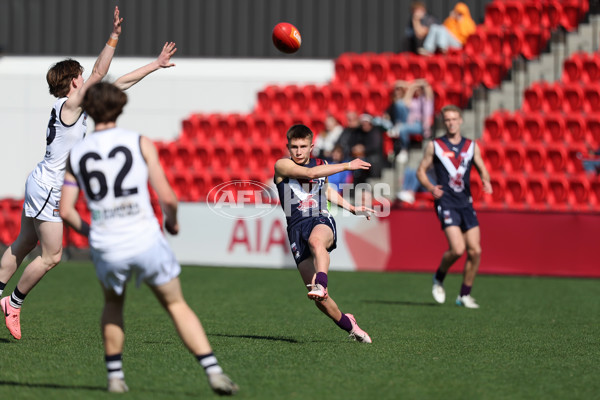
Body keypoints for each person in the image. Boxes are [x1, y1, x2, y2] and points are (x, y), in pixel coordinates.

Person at [0, 6, 177, 341]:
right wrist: (114, 36)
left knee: (23, 242)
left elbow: (118, 82)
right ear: (73, 83)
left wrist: (155, 65)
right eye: (80, 75)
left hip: (41, 181)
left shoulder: (71, 106)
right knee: (51, 256)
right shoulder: (70, 105)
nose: (87, 77)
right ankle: (13, 302)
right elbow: (100, 72)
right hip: (50, 187)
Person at [59, 82, 239, 395]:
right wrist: (172, 222)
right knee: (176, 304)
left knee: (113, 304)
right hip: (144, 237)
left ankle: (115, 377)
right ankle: (213, 371)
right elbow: (167, 198)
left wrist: (92, 234)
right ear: (120, 106)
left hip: (107, 243)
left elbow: (66, 211)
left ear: (88, 109)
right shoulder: (140, 142)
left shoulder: (76, 154)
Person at [274, 124, 374, 343]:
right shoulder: (282, 165)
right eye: (294, 147)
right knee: (320, 301)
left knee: (316, 241)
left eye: (303, 146)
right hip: (295, 228)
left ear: (312, 146)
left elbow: (325, 189)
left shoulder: (323, 164)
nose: (298, 151)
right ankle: (350, 325)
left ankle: (322, 282)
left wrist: (352, 208)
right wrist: (348, 165)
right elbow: (311, 174)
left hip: (320, 218)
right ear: (288, 147)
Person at [416, 105, 492, 309]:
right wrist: (431, 187)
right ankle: (439, 277)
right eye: (447, 120)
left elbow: (482, 167)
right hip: (446, 202)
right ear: (444, 122)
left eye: (454, 119)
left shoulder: (471, 146)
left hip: (465, 203)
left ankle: (464, 295)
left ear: (460, 121)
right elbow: (421, 171)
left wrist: (486, 181)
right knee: (458, 249)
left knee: (475, 251)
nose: (451, 123)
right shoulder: (435, 145)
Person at [385, 79, 434, 164]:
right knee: (399, 104)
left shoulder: (426, 100)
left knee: (402, 128)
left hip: (421, 124)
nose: (418, 91)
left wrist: (420, 85)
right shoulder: (414, 100)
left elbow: (428, 90)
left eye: (419, 89)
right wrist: (412, 88)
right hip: (410, 123)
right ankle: (397, 128)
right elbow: (405, 102)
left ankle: (404, 149)